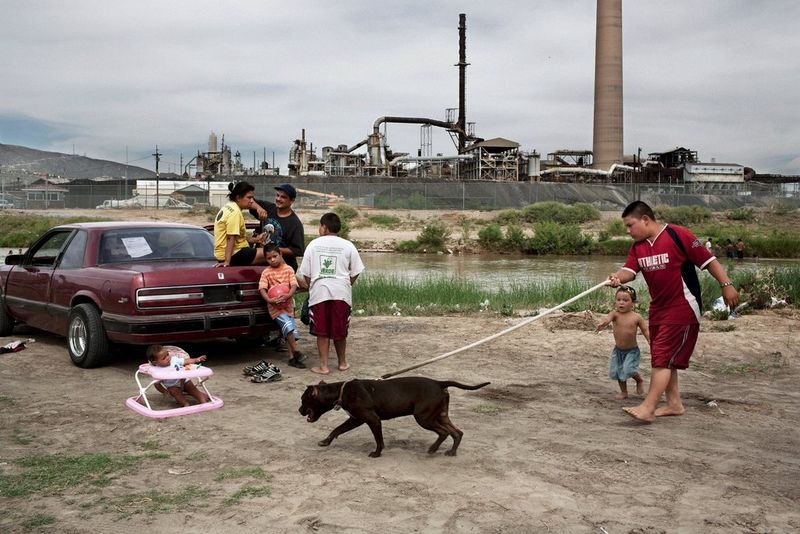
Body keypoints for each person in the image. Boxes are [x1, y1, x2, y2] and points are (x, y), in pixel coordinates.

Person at [607, 201, 739, 423]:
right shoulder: (638, 247)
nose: (628, 231)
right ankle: (674, 404)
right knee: (664, 357)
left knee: (662, 359)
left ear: (645, 220)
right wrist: (617, 277)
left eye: (630, 225)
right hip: (658, 309)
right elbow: (629, 270)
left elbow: (709, 261)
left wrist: (726, 284)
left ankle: (648, 407)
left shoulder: (679, 235)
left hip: (683, 307)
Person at [298, 212, 364, 375]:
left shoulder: (313, 245)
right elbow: (356, 271)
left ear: (324, 227)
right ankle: (342, 363)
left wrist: (311, 284)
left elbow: (306, 273)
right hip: (341, 294)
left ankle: (324, 366)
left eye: (320, 226)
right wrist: (347, 283)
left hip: (319, 293)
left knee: (322, 331)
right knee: (340, 330)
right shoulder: (348, 245)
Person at [595, 285, 650, 400]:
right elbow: (607, 319)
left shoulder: (637, 317)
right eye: (618, 300)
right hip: (618, 350)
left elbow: (645, 330)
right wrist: (602, 324)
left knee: (629, 369)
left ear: (633, 303)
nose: (621, 303)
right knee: (619, 371)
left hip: (632, 351)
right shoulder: (615, 314)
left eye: (625, 300)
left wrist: (650, 340)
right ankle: (624, 392)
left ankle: (639, 380)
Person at [258, 243, 306, 369]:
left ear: (280, 255)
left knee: (291, 332)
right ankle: (297, 353)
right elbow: (262, 288)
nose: (272, 260)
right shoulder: (266, 272)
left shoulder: (288, 269)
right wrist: (269, 300)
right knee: (288, 327)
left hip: (288, 305)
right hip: (275, 308)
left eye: (275, 256)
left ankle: (292, 358)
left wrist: (288, 295)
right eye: (269, 258)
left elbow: (294, 285)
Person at [249, 183, 305, 272]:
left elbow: (298, 251)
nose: (278, 199)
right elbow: (250, 200)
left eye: (283, 197)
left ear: (292, 200)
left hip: (283, 265)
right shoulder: (269, 208)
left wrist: (274, 250)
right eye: (277, 195)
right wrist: (259, 208)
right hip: (262, 261)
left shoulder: (295, 223)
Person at [214, 181, 269, 267]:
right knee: (274, 253)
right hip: (234, 254)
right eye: (249, 198)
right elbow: (230, 238)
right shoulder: (235, 213)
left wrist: (257, 239)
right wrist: (227, 262)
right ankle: (293, 280)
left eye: (252, 198)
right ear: (238, 198)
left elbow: (237, 237)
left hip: (224, 253)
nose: (252, 201)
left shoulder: (228, 206)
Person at [146, 345, 210, 407]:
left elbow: (186, 361)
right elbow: (156, 384)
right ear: (155, 362)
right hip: (173, 386)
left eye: (167, 354)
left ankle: (202, 400)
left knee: (193, 389)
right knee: (176, 393)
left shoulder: (174, 360)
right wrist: (164, 391)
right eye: (164, 358)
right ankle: (185, 404)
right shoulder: (157, 370)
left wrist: (196, 359)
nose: (168, 358)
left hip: (184, 380)